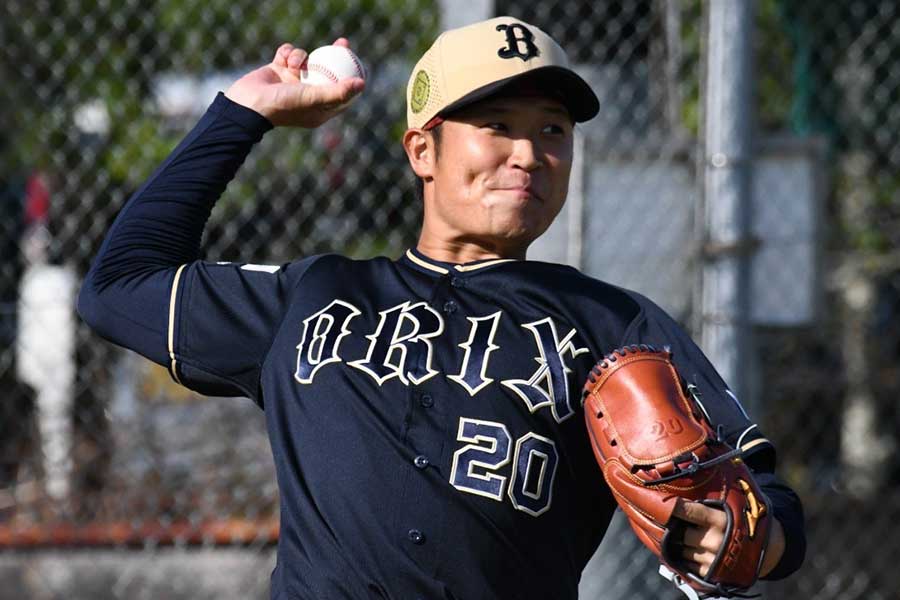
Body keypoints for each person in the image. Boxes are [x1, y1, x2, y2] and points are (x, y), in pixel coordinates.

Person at [78, 17, 805, 600]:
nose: (528, 153)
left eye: (552, 130)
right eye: (497, 125)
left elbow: (765, 500)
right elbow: (119, 285)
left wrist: (748, 536)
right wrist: (244, 113)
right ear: (423, 151)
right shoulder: (311, 296)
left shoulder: (612, 325)